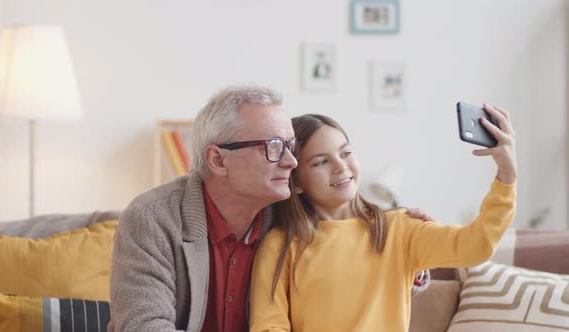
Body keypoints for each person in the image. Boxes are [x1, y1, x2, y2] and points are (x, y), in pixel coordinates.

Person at [108, 84, 431, 332]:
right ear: (219, 160)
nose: (291, 162)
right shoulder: (152, 218)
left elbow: (349, 275)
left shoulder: (296, 214)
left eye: (290, 147)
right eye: (273, 148)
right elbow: (145, 327)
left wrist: (407, 254)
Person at [249, 107, 517, 331]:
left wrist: (506, 174)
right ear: (296, 183)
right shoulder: (280, 244)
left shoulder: (399, 228)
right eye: (321, 162)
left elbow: (476, 245)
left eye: (345, 153)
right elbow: (268, 325)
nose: (341, 167)